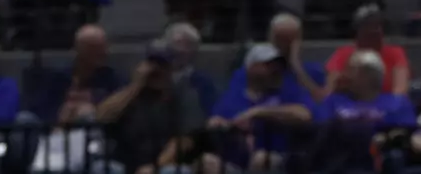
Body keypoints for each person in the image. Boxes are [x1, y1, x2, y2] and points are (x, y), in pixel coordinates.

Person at [96, 42, 205, 174]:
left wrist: (155, 167)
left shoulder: (183, 94)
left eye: (162, 65)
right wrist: (136, 85)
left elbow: (184, 140)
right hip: (126, 164)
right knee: (102, 168)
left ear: (171, 69)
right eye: (152, 64)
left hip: (165, 165)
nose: (157, 70)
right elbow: (101, 116)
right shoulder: (129, 95)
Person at [209, 45, 315, 171]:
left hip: (277, 158)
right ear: (251, 67)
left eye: (278, 66)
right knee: (209, 162)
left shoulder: (286, 93)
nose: (275, 70)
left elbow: (304, 115)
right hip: (235, 161)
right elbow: (212, 122)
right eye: (268, 65)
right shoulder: (232, 97)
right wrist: (227, 125)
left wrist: (258, 112)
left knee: (260, 159)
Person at [314, 51, 418, 174]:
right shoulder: (333, 101)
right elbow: (320, 133)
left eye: (351, 70)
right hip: (341, 162)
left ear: (370, 74)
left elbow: (408, 134)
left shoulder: (397, 102)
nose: (345, 75)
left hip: (384, 160)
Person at [25, 24, 123, 125]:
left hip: (96, 129)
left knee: (86, 115)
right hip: (55, 129)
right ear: (80, 51)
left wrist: (93, 105)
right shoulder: (58, 77)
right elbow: (39, 108)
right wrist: (63, 110)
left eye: (104, 47)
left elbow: (119, 106)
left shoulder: (112, 78)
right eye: (95, 49)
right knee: (25, 118)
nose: (105, 52)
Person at [325, 5, 410, 97]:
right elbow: (330, 91)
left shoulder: (395, 52)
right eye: (368, 25)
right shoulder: (342, 54)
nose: (374, 30)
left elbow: (400, 91)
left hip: (386, 107)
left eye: (377, 25)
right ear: (358, 30)